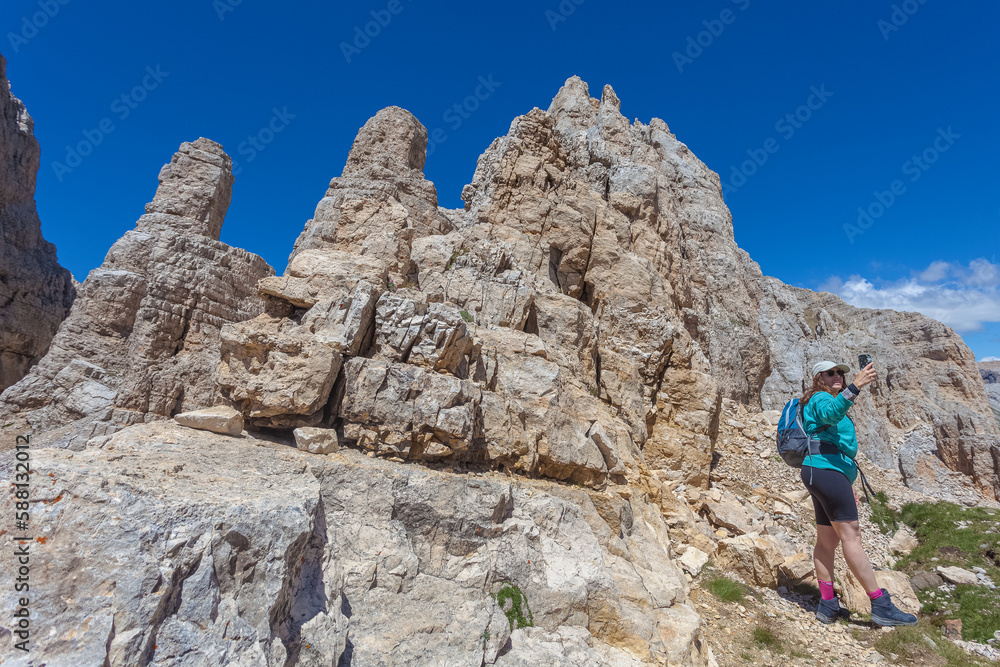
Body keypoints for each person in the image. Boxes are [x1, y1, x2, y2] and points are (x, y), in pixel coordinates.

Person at [800, 360, 917, 626]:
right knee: (851, 536)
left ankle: (828, 604)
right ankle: (880, 604)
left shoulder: (821, 399)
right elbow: (831, 413)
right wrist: (856, 385)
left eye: (840, 372)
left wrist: (846, 482)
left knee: (826, 540)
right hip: (826, 471)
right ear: (819, 378)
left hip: (823, 472)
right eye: (830, 373)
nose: (837, 376)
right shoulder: (819, 398)